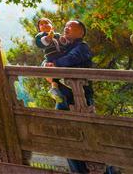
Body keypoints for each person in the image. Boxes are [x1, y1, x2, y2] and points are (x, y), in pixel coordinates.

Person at [44, 21, 95, 174]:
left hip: (80, 99)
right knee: (65, 139)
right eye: (65, 26)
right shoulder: (63, 48)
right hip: (63, 97)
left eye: (71, 26)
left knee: (86, 139)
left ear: (81, 32)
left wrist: (53, 65)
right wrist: (47, 65)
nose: (66, 28)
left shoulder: (82, 47)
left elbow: (70, 59)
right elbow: (49, 60)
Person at [34, 18, 67, 106]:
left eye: (46, 23)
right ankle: (54, 89)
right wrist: (48, 38)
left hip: (61, 57)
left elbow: (65, 43)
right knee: (52, 71)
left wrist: (65, 41)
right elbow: (41, 43)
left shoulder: (58, 35)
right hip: (51, 58)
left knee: (59, 74)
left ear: (52, 26)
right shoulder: (41, 35)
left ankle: (56, 89)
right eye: (41, 24)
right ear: (39, 29)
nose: (44, 25)